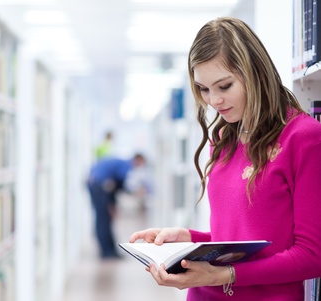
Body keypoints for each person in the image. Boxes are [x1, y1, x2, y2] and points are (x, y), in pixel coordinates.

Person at [129, 17, 321, 300]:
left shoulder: (305, 139)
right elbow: (241, 240)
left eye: (224, 86)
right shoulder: (223, 140)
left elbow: (311, 255)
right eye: (204, 89)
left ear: (255, 72)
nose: (214, 101)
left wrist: (227, 275)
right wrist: (190, 238)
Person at [87, 153, 148, 259]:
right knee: (103, 220)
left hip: (98, 185)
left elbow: (114, 185)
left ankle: (109, 251)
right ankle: (107, 252)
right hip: (99, 186)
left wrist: (112, 204)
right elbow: (121, 185)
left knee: (104, 219)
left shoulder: (121, 163)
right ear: (137, 160)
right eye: (141, 164)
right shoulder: (126, 165)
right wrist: (135, 192)